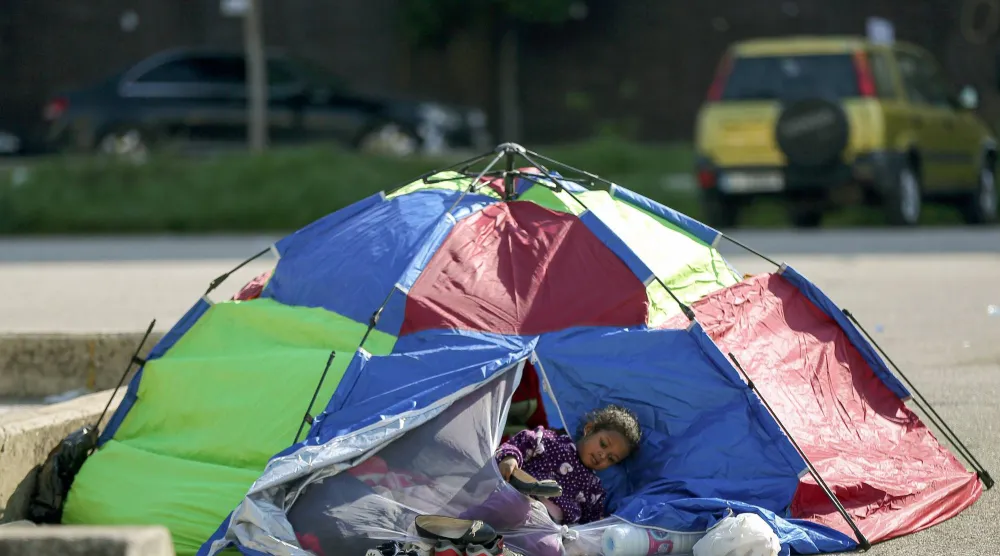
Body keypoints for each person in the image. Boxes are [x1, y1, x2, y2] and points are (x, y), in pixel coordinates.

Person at [494, 404, 641, 526]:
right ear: (589, 430)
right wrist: (510, 458)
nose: (603, 456)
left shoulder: (594, 489)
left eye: (611, 458)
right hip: (519, 498)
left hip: (547, 529)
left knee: (552, 550)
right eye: (603, 444)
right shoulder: (549, 441)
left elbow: (591, 525)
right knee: (490, 513)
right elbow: (518, 444)